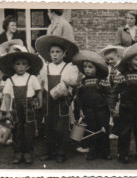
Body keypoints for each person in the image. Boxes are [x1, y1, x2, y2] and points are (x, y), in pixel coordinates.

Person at [36, 35, 79, 163]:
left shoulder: (69, 67)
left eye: (58, 52)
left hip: (62, 102)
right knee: (49, 126)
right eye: (52, 52)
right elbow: (41, 83)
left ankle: (61, 151)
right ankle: (50, 150)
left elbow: (74, 84)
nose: (55, 55)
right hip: (48, 102)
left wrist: (67, 88)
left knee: (61, 127)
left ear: (64, 53)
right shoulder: (46, 67)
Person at [0, 52, 43, 164]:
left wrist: (40, 102)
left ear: (28, 66)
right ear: (13, 66)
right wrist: (8, 111)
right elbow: (7, 96)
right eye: (18, 64)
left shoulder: (32, 78)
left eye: (24, 64)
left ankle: (28, 152)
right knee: (17, 130)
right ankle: (18, 152)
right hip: (15, 107)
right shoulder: (10, 80)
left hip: (29, 107)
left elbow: (39, 91)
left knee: (29, 130)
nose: (21, 66)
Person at [72, 50, 112, 161]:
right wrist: (80, 109)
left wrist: (111, 107)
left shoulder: (102, 81)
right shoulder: (83, 82)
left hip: (102, 110)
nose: (87, 69)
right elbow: (79, 97)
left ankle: (106, 152)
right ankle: (93, 152)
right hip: (88, 110)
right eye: (85, 67)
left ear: (96, 68)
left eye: (90, 67)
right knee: (92, 130)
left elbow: (109, 94)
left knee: (103, 130)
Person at [99, 45, 125, 139]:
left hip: (119, 91)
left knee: (118, 111)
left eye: (111, 59)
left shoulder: (121, 67)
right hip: (111, 90)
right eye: (108, 60)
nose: (110, 61)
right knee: (113, 111)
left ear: (118, 56)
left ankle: (117, 131)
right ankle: (114, 129)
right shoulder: (110, 68)